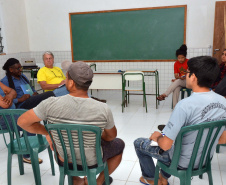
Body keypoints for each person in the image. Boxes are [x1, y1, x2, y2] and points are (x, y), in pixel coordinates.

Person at [17, 61, 125, 185]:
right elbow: (111, 136)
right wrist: (98, 137)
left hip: (64, 159)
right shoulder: (102, 108)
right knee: (119, 144)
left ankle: (76, 180)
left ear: (71, 82)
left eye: (66, 77)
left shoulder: (50, 103)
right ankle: (98, 182)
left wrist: (47, 132)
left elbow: (22, 122)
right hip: (92, 160)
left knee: (60, 147)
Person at [134, 56, 226, 185]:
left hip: (181, 162)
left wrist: (158, 137)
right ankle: (163, 178)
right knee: (175, 143)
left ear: (193, 77)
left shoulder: (185, 105)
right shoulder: (223, 102)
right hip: (204, 159)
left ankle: (152, 179)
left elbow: (165, 145)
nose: (185, 75)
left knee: (139, 143)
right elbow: (223, 139)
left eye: (187, 72)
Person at [157, 44, 189, 108]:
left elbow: (190, 74)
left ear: (185, 57)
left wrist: (179, 78)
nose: (180, 59)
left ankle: (165, 94)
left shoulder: (189, 62)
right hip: (180, 81)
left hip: (188, 82)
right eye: (179, 58)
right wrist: (179, 78)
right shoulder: (176, 63)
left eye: (182, 57)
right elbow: (176, 76)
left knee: (177, 81)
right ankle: (175, 107)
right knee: (176, 88)